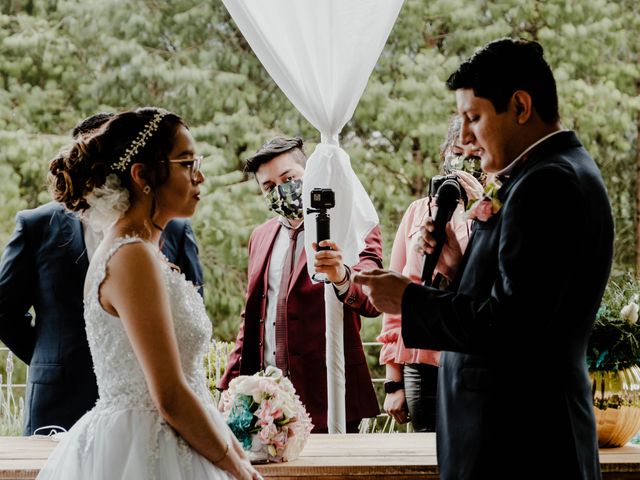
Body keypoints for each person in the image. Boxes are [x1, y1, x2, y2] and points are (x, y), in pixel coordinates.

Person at [355, 38, 613, 479]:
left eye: (473, 118)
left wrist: (409, 300)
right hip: (515, 436)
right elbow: (523, 302)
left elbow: (510, 326)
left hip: (521, 444)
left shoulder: (547, 185)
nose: (464, 136)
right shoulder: (551, 174)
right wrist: (457, 267)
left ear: (520, 106)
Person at [36, 107, 260, 480]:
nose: (199, 176)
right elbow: (169, 395)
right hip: (144, 450)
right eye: (187, 163)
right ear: (142, 175)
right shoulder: (131, 256)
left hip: (184, 439)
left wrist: (237, 457)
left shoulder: (141, 250)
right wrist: (235, 467)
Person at [0, 112, 204, 436]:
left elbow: (192, 299)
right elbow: (4, 311)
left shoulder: (175, 227)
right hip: (59, 400)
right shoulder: (37, 224)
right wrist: (50, 359)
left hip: (150, 413)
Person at [218, 137, 382, 433]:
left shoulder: (347, 224)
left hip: (331, 395)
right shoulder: (261, 236)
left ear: (311, 175)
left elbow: (372, 300)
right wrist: (230, 386)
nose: (281, 190)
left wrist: (341, 276)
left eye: (289, 178)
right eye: (268, 187)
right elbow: (251, 317)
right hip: (266, 402)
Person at [377, 116, 483, 431]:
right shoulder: (417, 212)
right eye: (455, 154)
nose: (462, 164)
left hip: (473, 366)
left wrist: (482, 202)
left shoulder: (495, 213)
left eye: (473, 155)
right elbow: (398, 297)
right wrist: (393, 381)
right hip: (420, 367)